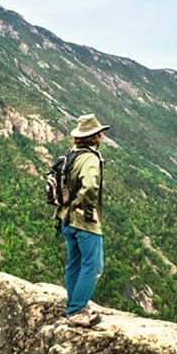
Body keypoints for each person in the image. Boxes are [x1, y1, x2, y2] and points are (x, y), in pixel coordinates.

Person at [57, 113, 109, 327]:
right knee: (93, 266)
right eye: (100, 133)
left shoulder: (72, 154)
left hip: (65, 218)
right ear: (95, 136)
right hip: (83, 222)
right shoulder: (90, 159)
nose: (102, 136)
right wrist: (87, 210)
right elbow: (89, 187)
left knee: (74, 263)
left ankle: (73, 304)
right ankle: (77, 312)